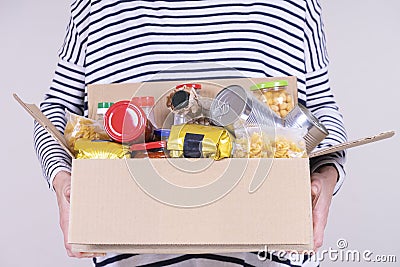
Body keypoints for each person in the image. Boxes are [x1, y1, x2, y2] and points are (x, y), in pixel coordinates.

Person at [34, 0, 347, 266]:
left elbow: (321, 107)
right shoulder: (95, 7)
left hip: (271, 249)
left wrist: (328, 172)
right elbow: (56, 107)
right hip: (132, 250)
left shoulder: (294, 5)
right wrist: (61, 177)